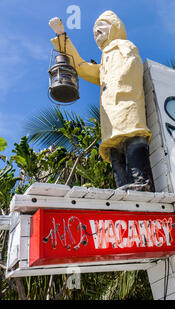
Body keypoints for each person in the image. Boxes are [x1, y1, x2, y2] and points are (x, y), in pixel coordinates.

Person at [49, 11, 154, 191]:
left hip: (127, 109)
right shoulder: (104, 64)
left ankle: (142, 184)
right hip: (111, 120)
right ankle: (123, 189)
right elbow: (81, 66)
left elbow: (132, 67)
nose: (96, 31)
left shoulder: (123, 45)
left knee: (134, 146)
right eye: (94, 29)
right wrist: (61, 36)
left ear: (115, 27)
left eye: (101, 25)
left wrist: (118, 88)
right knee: (116, 156)